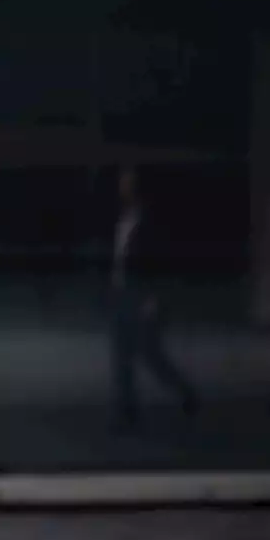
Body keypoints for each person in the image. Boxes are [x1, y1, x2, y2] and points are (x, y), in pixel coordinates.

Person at [109, 166, 198, 431]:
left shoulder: (150, 222)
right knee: (121, 355)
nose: (123, 188)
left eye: (128, 183)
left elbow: (160, 263)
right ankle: (126, 411)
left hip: (141, 295)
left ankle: (185, 393)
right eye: (122, 182)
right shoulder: (123, 219)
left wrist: (154, 299)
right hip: (122, 293)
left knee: (151, 355)